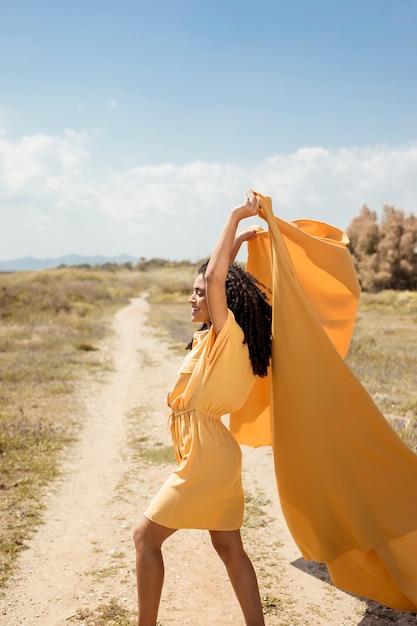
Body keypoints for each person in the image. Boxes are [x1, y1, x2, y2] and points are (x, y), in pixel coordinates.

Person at [133, 191, 272, 626]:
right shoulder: (219, 336)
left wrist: (233, 217)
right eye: (192, 293)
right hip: (209, 449)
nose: (193, 299)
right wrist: (237, 243)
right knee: (229, 547)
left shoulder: (228, 334)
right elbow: (218, 276)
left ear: (221, 299)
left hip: (207, 454)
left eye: (200, 293)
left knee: (144, 538)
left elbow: (216, 280)